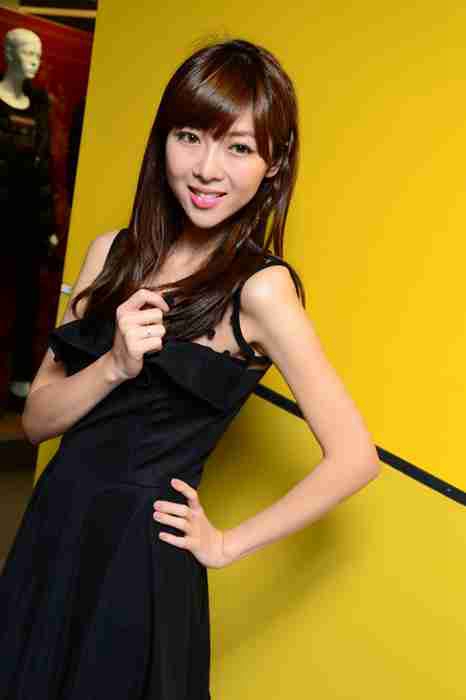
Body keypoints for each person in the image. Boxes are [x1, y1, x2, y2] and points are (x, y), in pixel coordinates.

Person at [0, 37, 380, 697]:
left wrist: (226, 544)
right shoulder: (110, 253)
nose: (207, 169)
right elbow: (35, 422)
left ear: (273, 163)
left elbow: (355, 457)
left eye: (239, 147)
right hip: (53, 527)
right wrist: (115, 364)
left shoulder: (262, 290)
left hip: (138, 568)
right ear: (164, 141)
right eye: (190, 137)